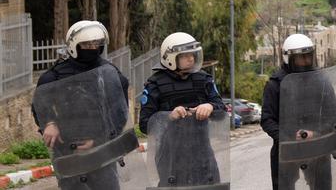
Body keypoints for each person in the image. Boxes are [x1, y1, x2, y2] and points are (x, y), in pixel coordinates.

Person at [33, 21, 130, 190]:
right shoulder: (54, 76)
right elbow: (39, 103)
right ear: (74, 45)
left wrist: (99, 140)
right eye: (87, 44)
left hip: (102, 149)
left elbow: (120, 114)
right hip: (67, 150)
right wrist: (49, 123)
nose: (92, 48)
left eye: (96, 43)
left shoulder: (110, 74)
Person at [139, 32, 226, 187]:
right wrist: (168, 116)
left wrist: (210, 106)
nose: (191, 58)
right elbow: (145, 124)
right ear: (171, 57)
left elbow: (222, 111)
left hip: (202, 152)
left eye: (192, 54)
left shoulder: (203, 79)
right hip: (170, 156)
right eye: (185, 55)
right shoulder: (155, 84)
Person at [262, 34, 336, 190]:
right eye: (301, 57)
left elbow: (333, 117)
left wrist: (316, 133)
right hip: (286, 150)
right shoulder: (275, 84)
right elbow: (267, 120)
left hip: (318, 148)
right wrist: (289, 137)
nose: (306, 61)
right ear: (288, 58)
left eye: (308, 56)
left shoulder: (321, 81)